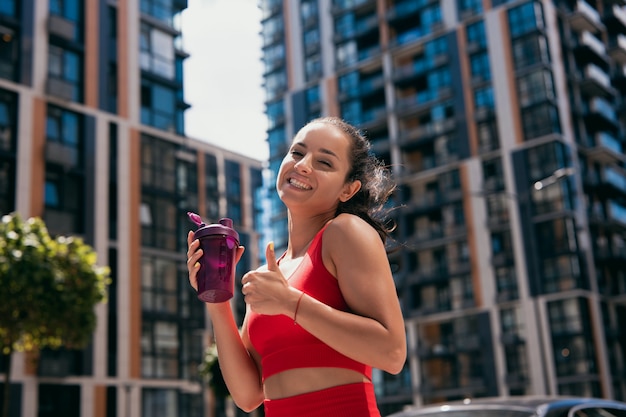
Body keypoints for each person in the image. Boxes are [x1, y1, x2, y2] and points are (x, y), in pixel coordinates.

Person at [186, 116, 406, 417]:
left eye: (324, 163)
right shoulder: (269, 276)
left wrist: (290, 302)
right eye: (297, 153)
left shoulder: (345, 232)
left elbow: (392, 353)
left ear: (348, 190)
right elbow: (249, 395)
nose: (303, 165)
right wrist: (217, 301)